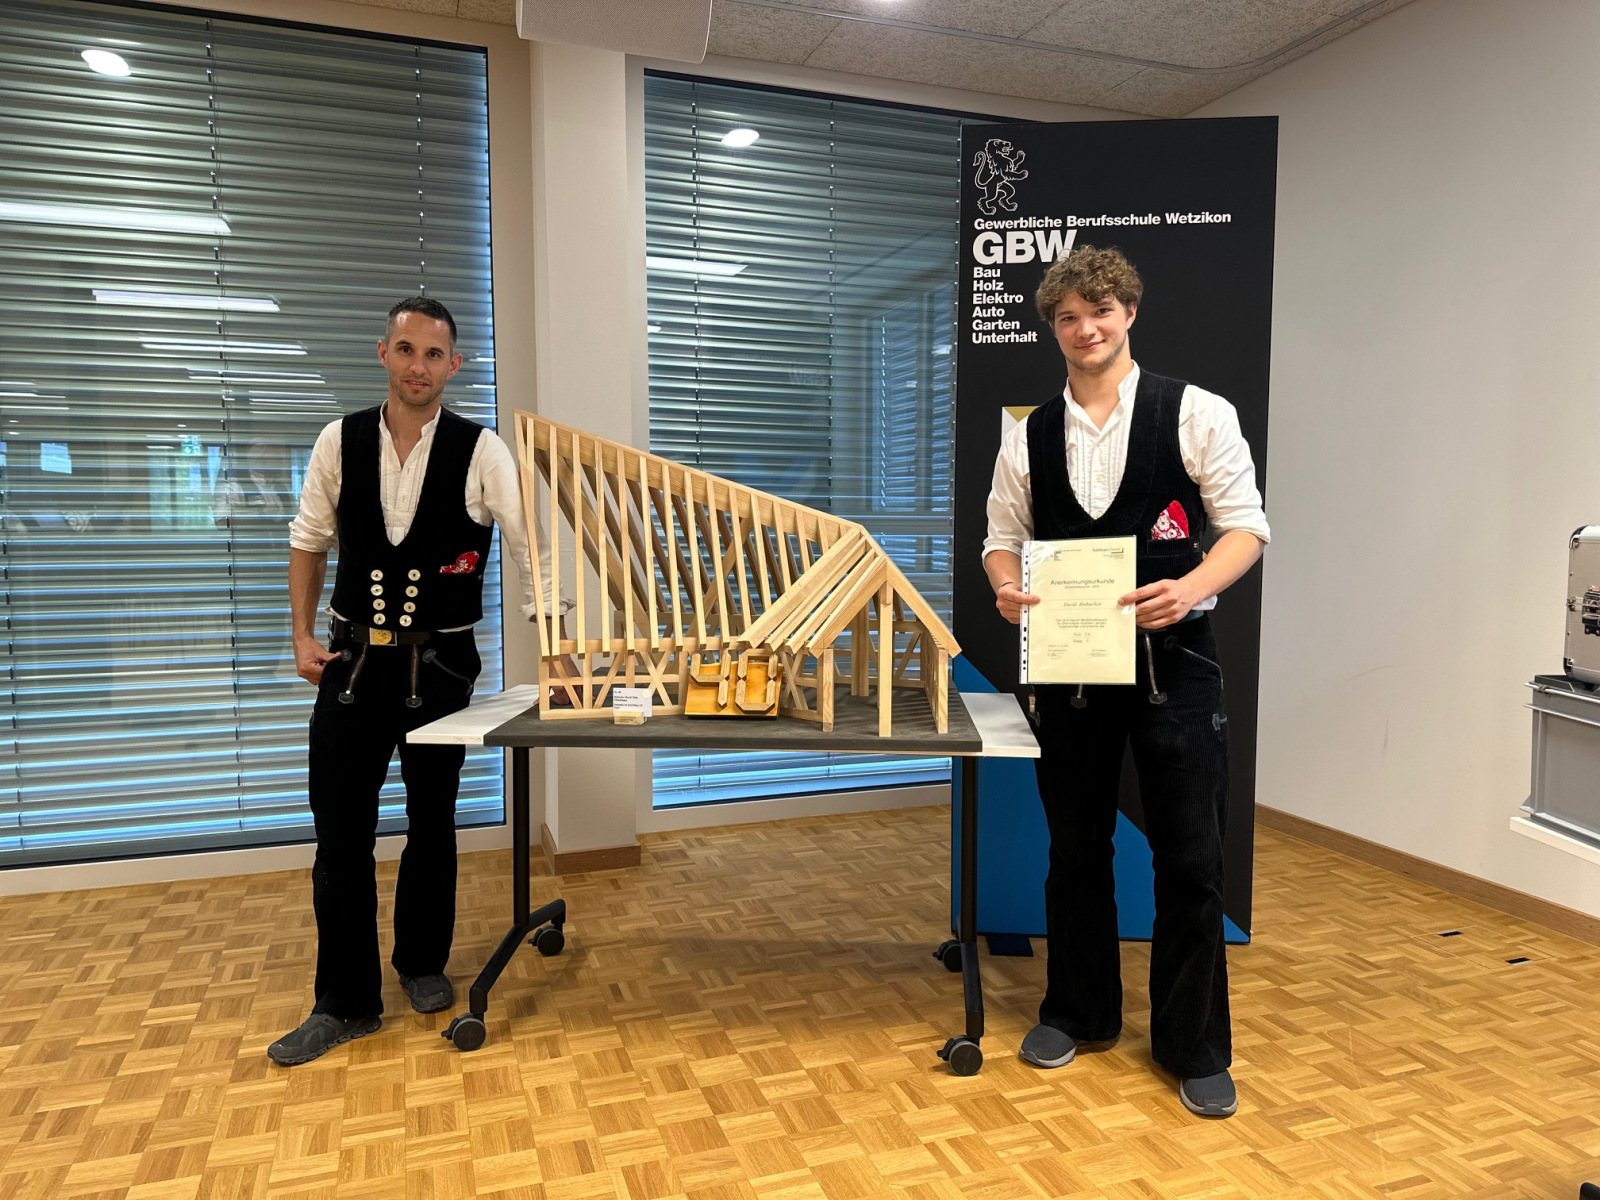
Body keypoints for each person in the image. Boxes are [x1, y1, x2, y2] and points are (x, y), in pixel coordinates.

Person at [982, 246, 1270, 1118]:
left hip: (1177, 668)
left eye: (1100, 311)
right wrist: (1005, 588)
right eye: (1068, 317)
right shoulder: (1028, 434)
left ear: (1129, 313)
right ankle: (1078, 1012)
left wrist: (1192, 586)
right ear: (1053, 328)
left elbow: (1245, 528)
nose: (1086, 329)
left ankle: (1195, 1045)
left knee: (1191, 858)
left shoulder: (1198, 413)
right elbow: (1001, 537)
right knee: (1075, 851)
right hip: (1069, 670)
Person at [270, 296, 559, 1066]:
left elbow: (530, 548)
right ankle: (345, 1002)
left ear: (453, 365)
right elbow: (309, 539)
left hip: (440, 667)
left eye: (434, 354)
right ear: (384, 353)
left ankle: (423, 962)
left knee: (433, 820)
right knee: (341, 834)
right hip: (352, 665)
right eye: (406, 349)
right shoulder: (338, 439)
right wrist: (300, 634)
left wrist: (554, 650)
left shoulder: (482, 450)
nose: (418, 366)